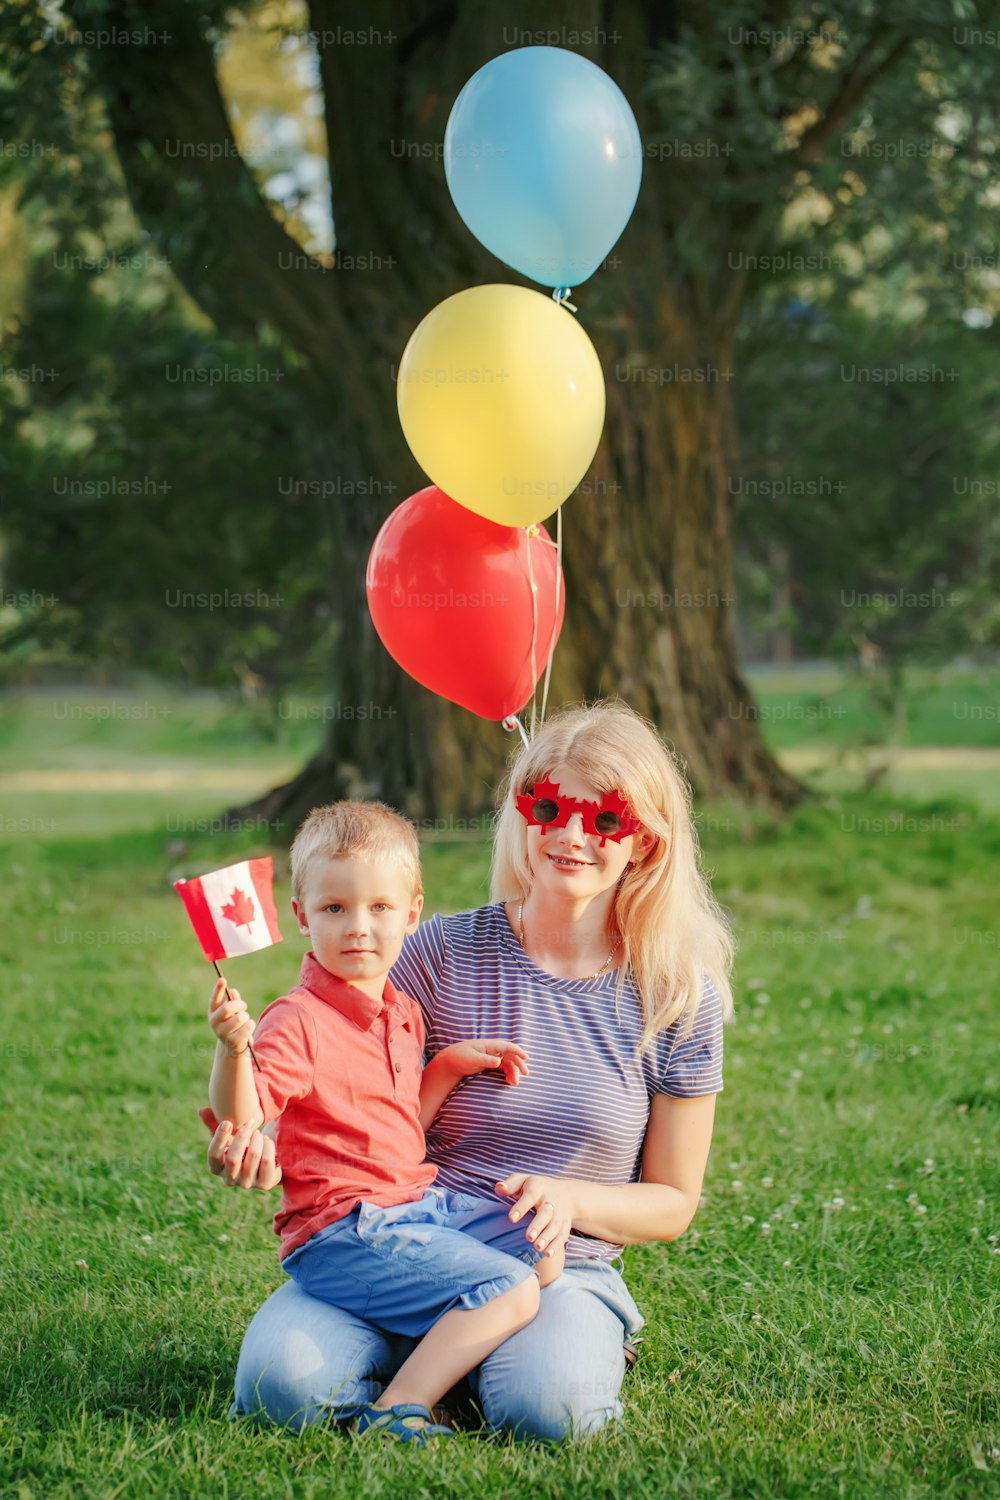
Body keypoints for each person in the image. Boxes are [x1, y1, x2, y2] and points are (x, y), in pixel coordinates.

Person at [207, 699, 735, 1443]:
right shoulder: (437, 952)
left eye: (605, 819)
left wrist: (566, 1196)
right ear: (521, 812)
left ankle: (455, 1374)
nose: (571, 835)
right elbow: (333, 1067)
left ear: (645, 842)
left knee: (549, 1414)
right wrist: (257, 1130)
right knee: (278, 1391)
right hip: (400, 1235)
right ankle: (424, 1375)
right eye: (548, 806)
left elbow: (673, 1203)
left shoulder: (677, 996)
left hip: (559, 1264)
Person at [207, 799, 565, 1448]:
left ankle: (439, 1363)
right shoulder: (298, 1020)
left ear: (412, 912)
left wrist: (449, 1066)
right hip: (345, 1228)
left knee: (540, 1253)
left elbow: (400, 1129)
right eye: (335, 909)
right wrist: (234, 1050)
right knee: (508, 1288)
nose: (358, 929)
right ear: (301, 916)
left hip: (413, 1208)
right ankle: (398, 1408)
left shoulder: (401, 1009)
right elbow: (245, 1112)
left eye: (379, 908)